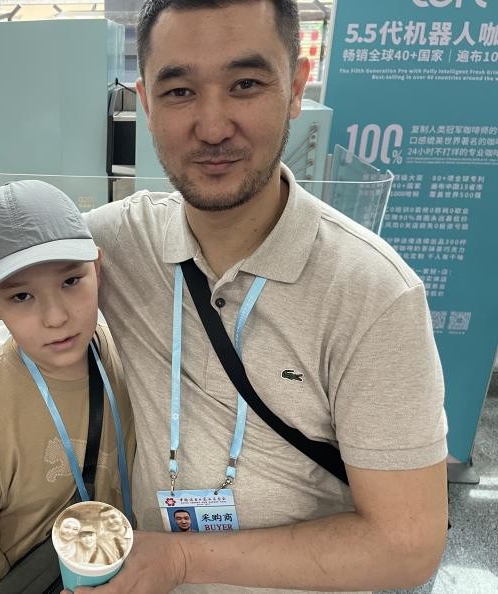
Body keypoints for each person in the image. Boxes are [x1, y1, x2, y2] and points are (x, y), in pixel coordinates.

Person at [70, 1, 448, 592]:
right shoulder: (118, 242)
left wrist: (182, 560)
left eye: (245, 84)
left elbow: (406, 545)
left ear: (295, 88)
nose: (213, 127)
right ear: (145, 103)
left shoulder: (373, 294)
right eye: (179, 92)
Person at [0, 180, 136, 586]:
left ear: (97, 268)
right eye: (21, 296)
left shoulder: (123, 356)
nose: (56, 317)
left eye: (71, 282)